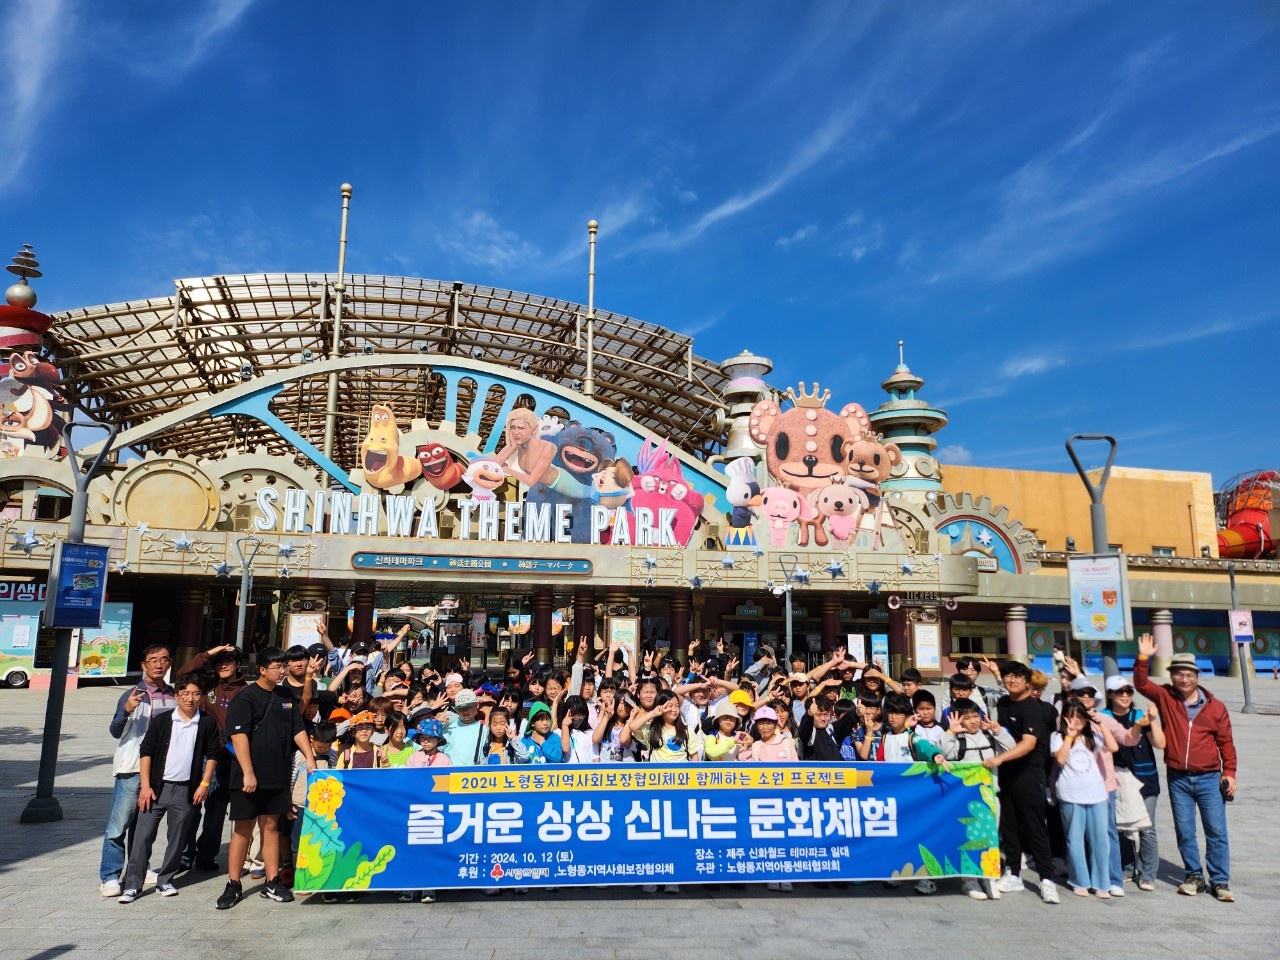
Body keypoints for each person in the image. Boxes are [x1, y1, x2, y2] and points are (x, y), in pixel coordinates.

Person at [1135, 635, 1237, 901]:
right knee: (1184, 830)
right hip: (1178, 777)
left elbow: (1226, 742)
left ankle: (1220, 880)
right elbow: (1141, 683)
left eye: (1189, 674)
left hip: (1209, 777)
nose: (1184, 679)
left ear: (1197, 676)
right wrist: (1143, 657)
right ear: (1172, 676)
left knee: (1216, 830)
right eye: (1178, 674)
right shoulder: (1166, 697)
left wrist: (1230, 773)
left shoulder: (1215, 707)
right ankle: (1194, 876)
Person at [217, 647, 316, 910]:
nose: (282, 671)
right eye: (277, 667)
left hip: (277, 774)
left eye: (284, 666)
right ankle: (233, 883)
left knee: (271, 826)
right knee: (243, 828)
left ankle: (272, 881)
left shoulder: (286, 696)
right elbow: (238, 736)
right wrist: (248, 772)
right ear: (262, 670)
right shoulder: (245, 697)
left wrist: (309, 757)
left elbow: (297, 729)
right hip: (248, 776)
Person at [117, 675, 221, 903]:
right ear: (177, 696)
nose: (190, 699)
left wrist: (204, 784)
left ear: (201, 696)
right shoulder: (163, 720)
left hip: (186, 789)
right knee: (142, 837)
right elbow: (146, 751)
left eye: (195, 694)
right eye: (185, 694)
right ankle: (132, 885)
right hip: (156, 788)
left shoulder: (206, 722)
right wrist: (145, 786)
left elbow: (213, 754)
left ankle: (165, 880)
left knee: (178, 837)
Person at [100, 644, 177, 898]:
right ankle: (110, 876)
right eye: (153, 660)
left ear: (169, 663)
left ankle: (138, 869)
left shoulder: (173, 695)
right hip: (132, 768)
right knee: (119, 825)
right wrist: (126, 710)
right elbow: (115, 731)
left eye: (164, 659)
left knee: (143, 826)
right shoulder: (133, 693)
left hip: (160, 771)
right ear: (144, 665)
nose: (159, 664)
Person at [987, 660, 1059, 903]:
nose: (1012, 680)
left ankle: (1047, 879)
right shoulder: (1003, 703)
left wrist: (1000, 759)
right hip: (1007, 774)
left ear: (1028, 682)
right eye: (1008, 676)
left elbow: (1028, 744)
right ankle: (1014, 874)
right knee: (1009, 826)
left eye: (1018, 676)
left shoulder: (1033, 708)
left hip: (1029, 773)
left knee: (1034, 826)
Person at [175, 642, 246, 871]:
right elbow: (182, 674)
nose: (223, 666)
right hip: (203, 754)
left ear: (237, 664)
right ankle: (185, 855)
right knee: (192, 805)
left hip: (228, 757)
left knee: (216, 809)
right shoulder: (207, 685)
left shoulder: (245, 690)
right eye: (219, 662)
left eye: (228, 661)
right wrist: (210, 653)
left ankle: (206, 854)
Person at [1051, 700, 1119, 899]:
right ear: (1064, 718)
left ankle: (1101, 883)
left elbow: (1113, 746)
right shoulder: (1057, 737)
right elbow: (1060, 759)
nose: (1076, 721)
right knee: (1075, 838)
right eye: (1071, 716)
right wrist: (1069, 737)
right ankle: (1079, 880)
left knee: (1100, 840)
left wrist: (1102, 724)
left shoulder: (1092, 737)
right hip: (1071, 795)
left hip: (1097, 794)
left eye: (1080, 717)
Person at [1102, 674, 1164, 891]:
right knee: (1122, 826)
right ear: (1110, 694)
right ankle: (1127, 867)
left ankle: (1147, 874)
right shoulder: (1103, 717)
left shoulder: (1140, 716)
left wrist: (1153, 720)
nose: (1125, 695)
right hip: (1118, 779)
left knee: (1147, 828)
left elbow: (1160, 743)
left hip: (1146, 779)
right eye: (1120, 691)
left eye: (1128, 691)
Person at [440, 688, 487, 765]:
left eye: (468, 707)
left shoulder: (485, 730)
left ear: (476, 705)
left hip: (476, 771)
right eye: (461, 708)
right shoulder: (449, 729)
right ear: (456, 710)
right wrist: (438, 725)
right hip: (453, 771)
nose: (465, 711)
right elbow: (440, 749)